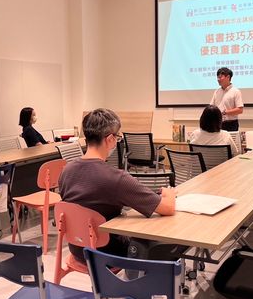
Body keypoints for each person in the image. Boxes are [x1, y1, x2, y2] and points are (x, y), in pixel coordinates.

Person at [59, 108, 176, 263]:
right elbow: (168, 208)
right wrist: (169, 193)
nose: (117, 141)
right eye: (118, 137)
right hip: (106, 252)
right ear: (109, 139)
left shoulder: (66, 170)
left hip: (77, 249)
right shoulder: (116, 178)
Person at [210, 67, 244, 131]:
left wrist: (225, 112)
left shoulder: (236, 91)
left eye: (220, 77)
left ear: (228, 77)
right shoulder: (217, 91)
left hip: (231, 124)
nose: (218, 79)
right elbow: (211, 106)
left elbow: (240, 110)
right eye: (217, 77)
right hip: (218, 123)